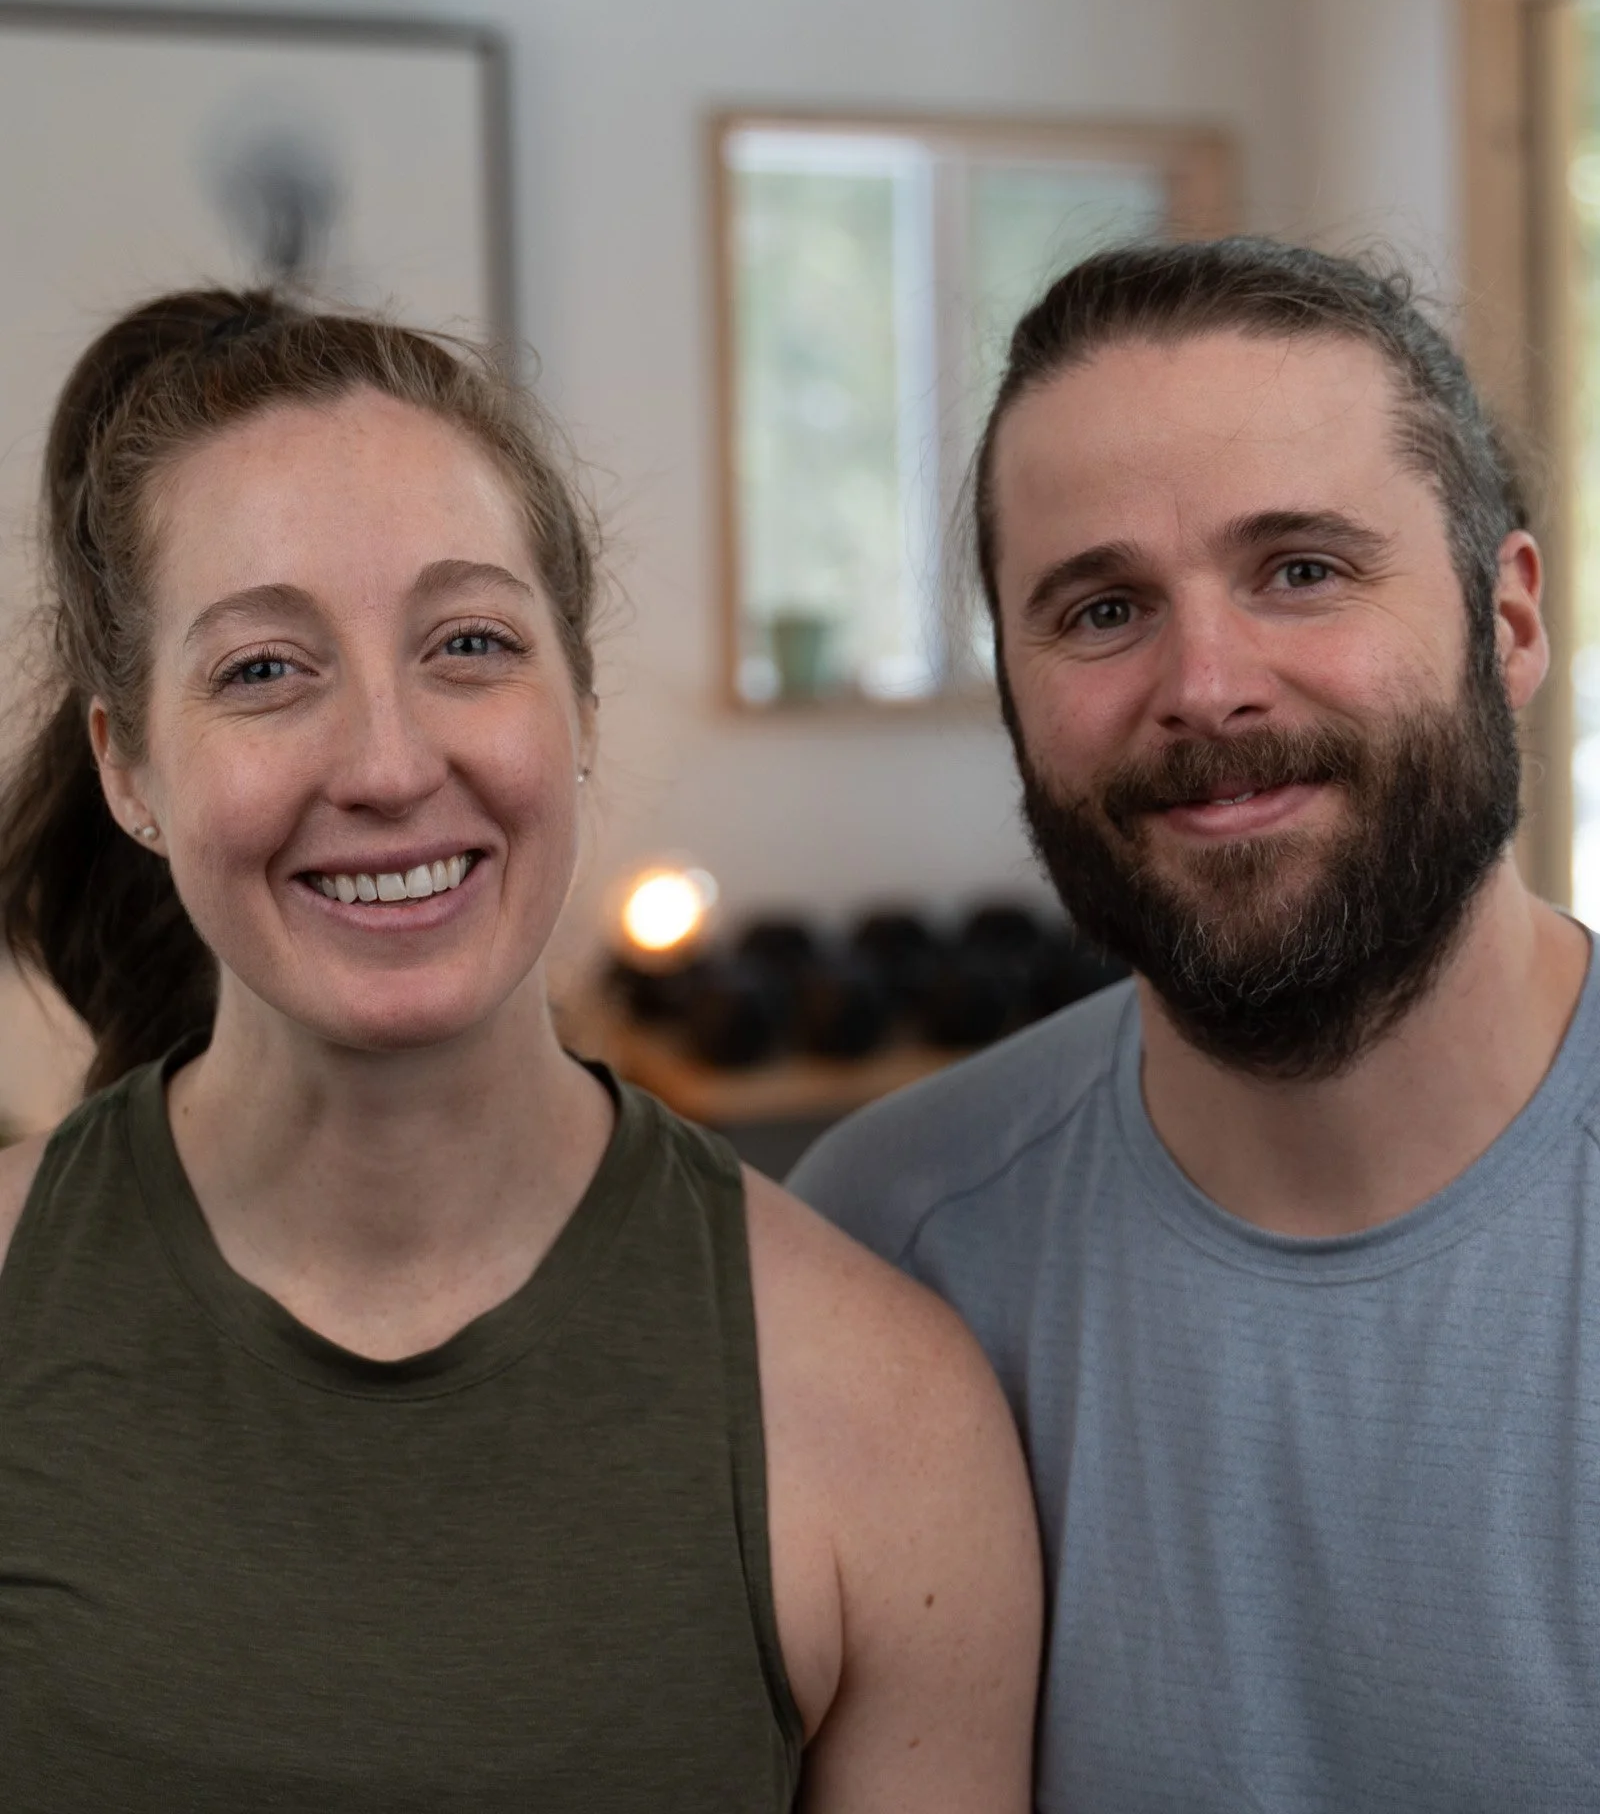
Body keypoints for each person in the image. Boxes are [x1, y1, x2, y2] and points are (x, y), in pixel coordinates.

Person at [0, 289, 1040, 1812]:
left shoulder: (888, 1409)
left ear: (581, 710)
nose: (387, 762)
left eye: (471, 643)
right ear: (129, 769)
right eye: (264, 669)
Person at [791, 237, 1600, 1812]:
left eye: (1302, 571)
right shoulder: (887, 1251)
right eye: (1103, 610)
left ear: (1507, 622)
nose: (1207, 687)